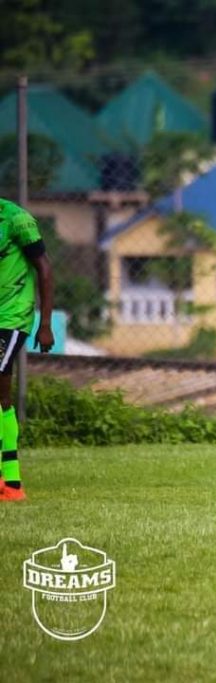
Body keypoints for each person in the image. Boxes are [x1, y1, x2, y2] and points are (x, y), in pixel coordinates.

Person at [0, 199, 54, 503]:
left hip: (12, 315)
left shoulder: (17, 220)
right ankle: (8, 481)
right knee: (2, 397)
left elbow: (44, 268)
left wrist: (45, 324)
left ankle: (12, 484)